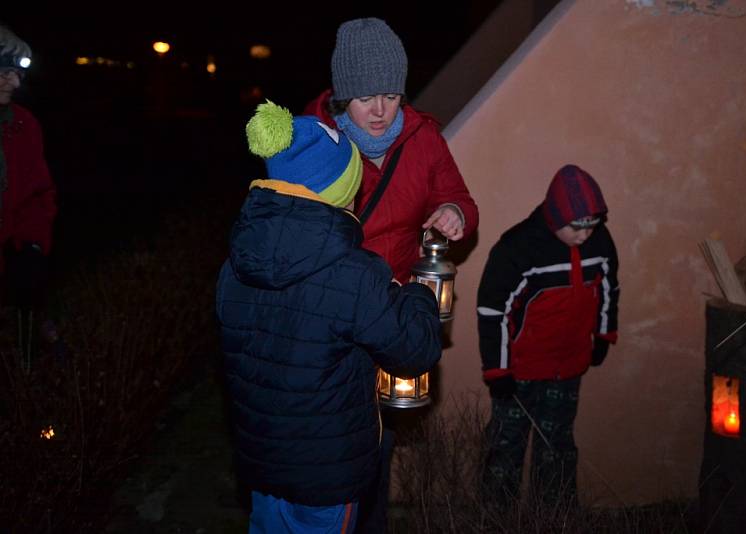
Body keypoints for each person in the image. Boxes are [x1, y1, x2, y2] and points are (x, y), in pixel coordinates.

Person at [215, 100, 442, 534]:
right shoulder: (354, 274)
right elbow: (414, 351)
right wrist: (417, 294)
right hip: (327, 477)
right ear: (340, 190)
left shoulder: (235, 264)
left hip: (260, 465)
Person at [304, 18, 479, 532]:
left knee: (377, 439)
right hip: (329, 316)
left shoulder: (424, 140)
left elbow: (461, 198)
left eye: (390, 94)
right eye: (364, 97)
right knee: (334, 439)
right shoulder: (313, 141)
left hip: (386, 314)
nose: (380, 111)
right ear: (342, 98)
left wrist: (454, 214)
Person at [477, 164, 620, 507]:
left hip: (568, 367)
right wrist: (498, 370)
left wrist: (604, 334)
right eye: (576, 227)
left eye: (591, 225)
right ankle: (496, 521)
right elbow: (492, 311)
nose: (585, 235)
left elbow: (609, 289)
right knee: (505, 448)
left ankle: (554, 518)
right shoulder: (518, 248)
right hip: (519, 371)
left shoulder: (599, 242)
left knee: (556, 448)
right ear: (556, 218)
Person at [0, 24, 57, 364]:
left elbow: (39, 193)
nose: (16, 84)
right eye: (5, 73)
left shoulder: (23, 125)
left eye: (18, 75)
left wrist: (32, 246)